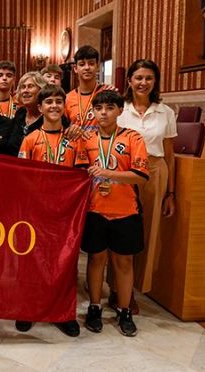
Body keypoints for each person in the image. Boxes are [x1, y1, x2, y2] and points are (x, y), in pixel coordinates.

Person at [76, 90, 149, 337]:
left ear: (120, 110)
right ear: (94, 112)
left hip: (125, 210)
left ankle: (124, 309)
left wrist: (108, 173)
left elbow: (140, 177)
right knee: (96, 260)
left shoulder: (133, 138)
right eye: (99, 108)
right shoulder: (87, 139)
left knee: (124, 262)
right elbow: (78, 173)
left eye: (109, 108)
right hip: (95, 210)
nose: (103, 113)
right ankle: (95, 306)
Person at [17, 84, 81, 337]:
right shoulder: (30, 139)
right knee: (33, 260)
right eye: (48, 102)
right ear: (40, 107)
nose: (53, 106)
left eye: (58, 101)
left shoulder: (74, 139)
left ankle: (62, 312)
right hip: (37, 210)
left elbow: (81, 175)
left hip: (66, 211)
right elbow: (21, 176)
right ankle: (28, 308)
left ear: (64, 106)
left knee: (65, 262)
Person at [116, 59, 177, 313]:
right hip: (124, 172)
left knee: (147, 232)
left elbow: (170, 153)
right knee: (121, 230)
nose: (143, 83)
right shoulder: (120, 110)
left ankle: (135, 290)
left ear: (155, 82)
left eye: (148, 78)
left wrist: (170, 192)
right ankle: (119, 290)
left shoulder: (166, 112)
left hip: (154, 170)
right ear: (129, 81)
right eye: (138, 77)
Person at [64, 45, 115, 132]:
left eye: (91, 63)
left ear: (97, 66)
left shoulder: (108, 93)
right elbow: (63, 129)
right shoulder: (67, 98)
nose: (87, 68)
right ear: (75, 68)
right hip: (76, 144)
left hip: (102, 145)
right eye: (82, 64)